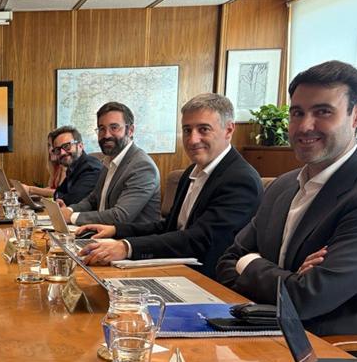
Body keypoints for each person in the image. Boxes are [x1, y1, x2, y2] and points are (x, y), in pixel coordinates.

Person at [216, 60, 357, 336]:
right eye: (297, 113)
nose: (304, 126)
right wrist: (290, 278)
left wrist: (250, 263)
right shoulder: (282, 186)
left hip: (326, 356)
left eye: (323, 112)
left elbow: (307, 298)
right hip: (256, 332)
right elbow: (226, 262)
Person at [78, 93, 262, 278]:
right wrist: (116, 230)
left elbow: (200, 240)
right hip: (176, 271)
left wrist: (127, 247)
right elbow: (169, 228)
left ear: (229, 130)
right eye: (187, 130)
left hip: (207, 282)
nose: (192, 139)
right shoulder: (192, 172)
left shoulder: (240, 179)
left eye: (203, 129)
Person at [58, 102, 160, 226]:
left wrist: (72, 217)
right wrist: (69, 210)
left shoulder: (142, 166)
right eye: (102, 129)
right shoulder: (109, 161)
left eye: (114, 127)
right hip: (103, 235)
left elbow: (120, 216)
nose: (106, 135)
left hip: (130, 241)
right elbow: (93, 199)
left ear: (130, 130)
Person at [17, 128, 95, 206]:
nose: (62, 153)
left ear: (80, 146)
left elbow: (71, 200)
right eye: (57, 149)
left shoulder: (90, 167)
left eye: (67, 146)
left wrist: (31, 189)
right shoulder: (72, 167)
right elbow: (58, 193)